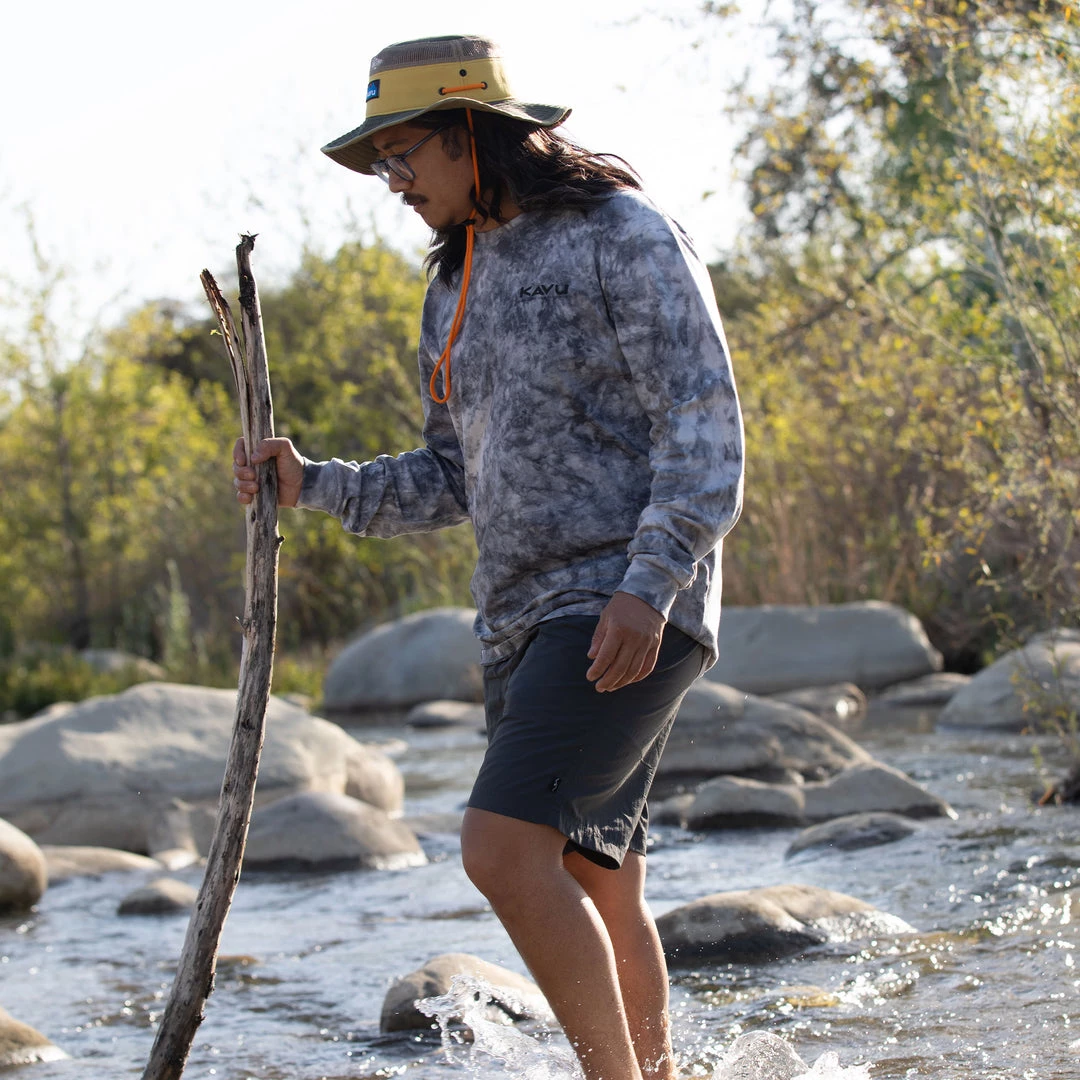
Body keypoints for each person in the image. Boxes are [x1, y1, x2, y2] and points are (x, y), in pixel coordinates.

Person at [233, 33, 744, 1080]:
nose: (393, 179)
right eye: (380, 161)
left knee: (501, 850)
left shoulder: (624, 234)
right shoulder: (453, 281)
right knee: (601, 884)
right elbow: (450, 475)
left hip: (623, 604)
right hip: (517, 621)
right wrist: (312, 482)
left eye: (405, 152)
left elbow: (705, 427)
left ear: (473, 131)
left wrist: (649, 586)